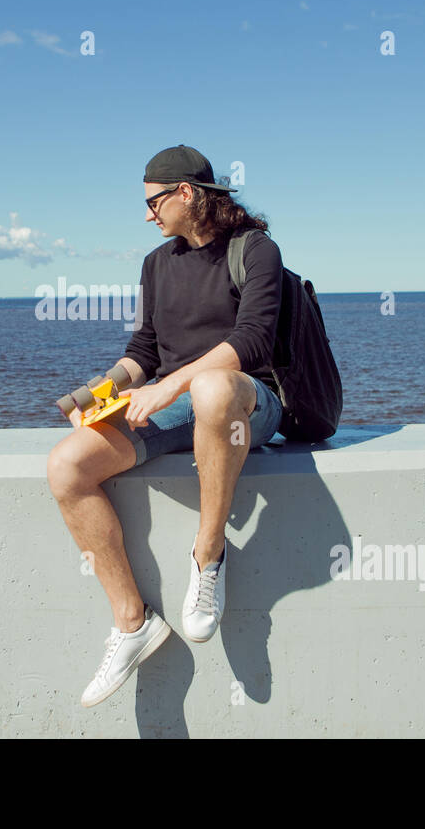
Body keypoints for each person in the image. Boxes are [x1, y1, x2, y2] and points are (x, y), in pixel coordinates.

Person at [45, 144, 285, 707]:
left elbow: (252, 342)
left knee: (211, 385)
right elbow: (145, 350)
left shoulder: (256, 249)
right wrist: (92, 394)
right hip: (180, 405)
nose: (148, 215)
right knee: (67, 466)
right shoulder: (158, 264)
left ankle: (209, 555)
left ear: (186, 194)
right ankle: (133, 623)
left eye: (154, 202)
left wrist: (171, 386)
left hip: (250, 400)